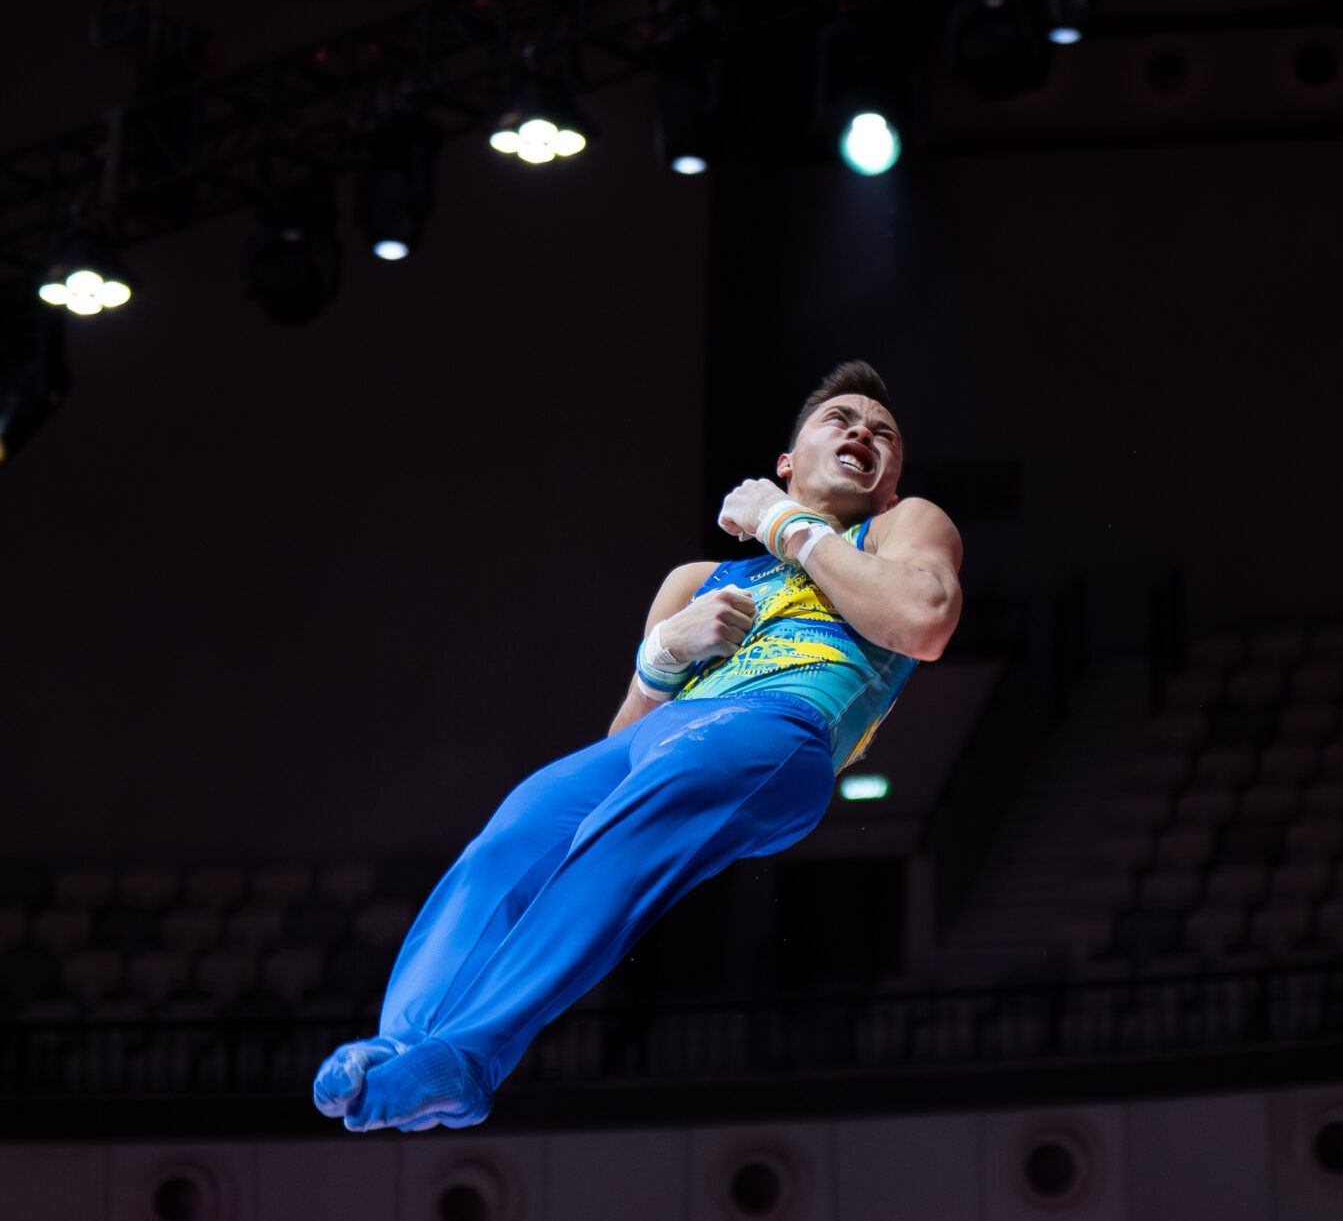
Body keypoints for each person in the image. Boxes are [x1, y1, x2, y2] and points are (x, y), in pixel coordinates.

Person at [312, 362, 962, 1134]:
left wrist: (785, 523)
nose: (862, 432)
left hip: (779, 727)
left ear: (889, 486)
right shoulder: (697, 579)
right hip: (665, 739)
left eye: (883, 433)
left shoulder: (898, 527)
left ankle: (469, 1056)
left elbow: (922, 620)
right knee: (518, 831)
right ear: (787, 461)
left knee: (619, 839)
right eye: (840, 420)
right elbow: (627, 744)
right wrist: (663, 655)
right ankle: (404, 1046)